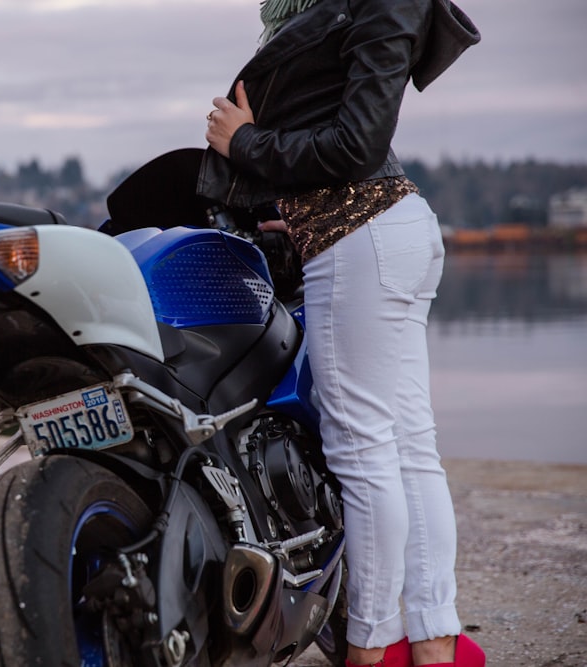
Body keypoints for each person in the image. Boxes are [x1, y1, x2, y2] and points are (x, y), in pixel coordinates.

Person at [198, 1, 482, 666]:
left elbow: (357, 143)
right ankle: (432, 640)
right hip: (381, 232)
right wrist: (294, 212)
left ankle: (372, 647)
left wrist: (244, 144)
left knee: (364, 452)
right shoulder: (344, 12)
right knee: (409, 448)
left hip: (361, 239)